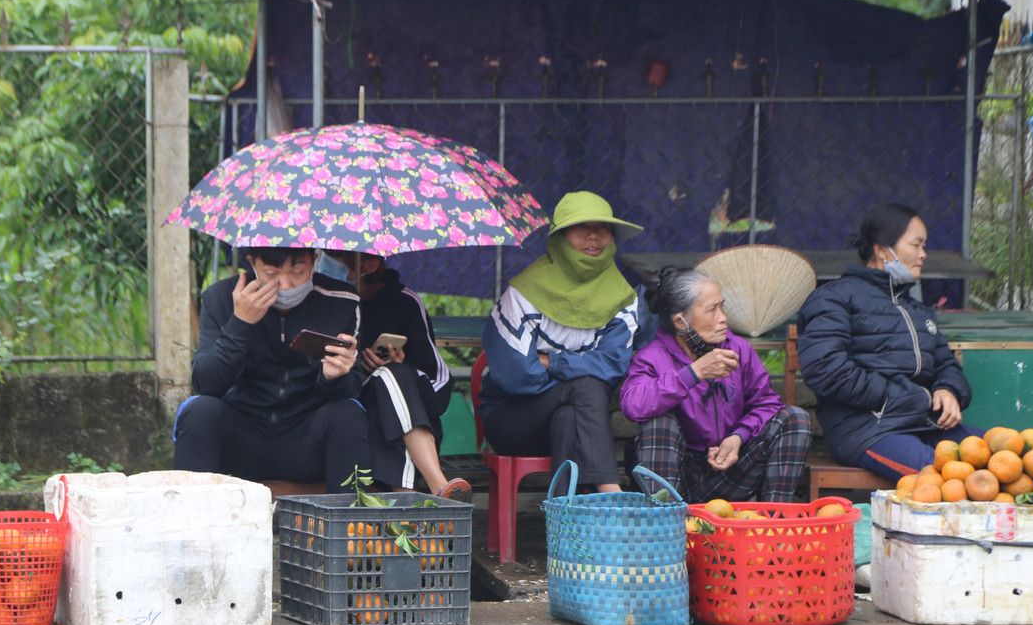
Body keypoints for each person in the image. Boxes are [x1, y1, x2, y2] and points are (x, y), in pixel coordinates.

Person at [477, 191, 655, 492]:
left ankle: (566, 528)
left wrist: (551, 362)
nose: (593, 236)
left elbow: (612, 367)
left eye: (603, 228)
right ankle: (611, 496)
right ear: (559, 237)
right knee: (586, 387)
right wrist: (579, 371)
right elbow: (517, 376)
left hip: (576, 418)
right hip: (512, 419)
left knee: (570, 415)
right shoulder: (522, 295)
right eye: (580, 227)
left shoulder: (624, 300)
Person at [796, 203, 980, 480]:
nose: (923, 254)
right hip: (868, 430)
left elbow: (946, 364)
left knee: (1014, 463)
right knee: (951, 480)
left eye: (924, 246)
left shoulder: (917, 310)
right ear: (882, 249)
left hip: (927, 425)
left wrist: (948, 390)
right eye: (916, 245)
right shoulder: (834, 298)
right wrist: (905, 397)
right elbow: (827, 370)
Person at [171, 246, 371, 492]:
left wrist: (332, 377)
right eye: (271, 273)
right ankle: (193, 520)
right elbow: (206, 383)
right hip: (245, 438)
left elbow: (353, 388)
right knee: (199, 410)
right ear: (251, 264)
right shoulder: (220, 298)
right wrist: (240, 323)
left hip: (307, 440)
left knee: (347, 413)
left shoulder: (341, 302)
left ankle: (349, 521)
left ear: (314, 261)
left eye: (298, 272)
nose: (285, 285)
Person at [619, 268, 811, 502]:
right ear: (681, 322)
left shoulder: (737, 349)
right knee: (658, 422)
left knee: (795, 419)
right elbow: (633, 405)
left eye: (722, 306)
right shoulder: (653, 356)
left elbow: (766, 403)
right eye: (712, 309)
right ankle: (663, 525)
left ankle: (771, 525)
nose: (723, 317)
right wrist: (693, 373)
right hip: (677, 477)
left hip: (730, 469)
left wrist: (738, 437)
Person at [321, 250, 471, 500]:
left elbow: (439, 384)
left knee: (393, 374)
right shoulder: (324, 300)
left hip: (413, 413)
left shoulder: (405, 303)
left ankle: (411, 504)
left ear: (368, 265)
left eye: (336, 256)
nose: (323, 260)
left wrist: (405, 368)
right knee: (387, 376)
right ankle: (437, 488)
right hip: (349, 414)